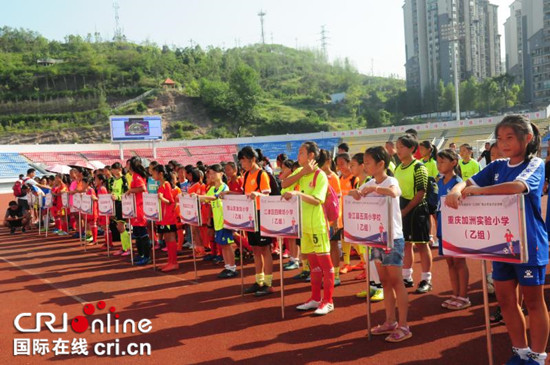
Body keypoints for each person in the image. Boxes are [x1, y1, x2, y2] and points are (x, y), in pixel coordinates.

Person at [446, 115, 548, 365]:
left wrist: (477, 191)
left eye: (509, 138)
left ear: (528, 138)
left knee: (533, 302)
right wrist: (456, 190)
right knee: (505, 300)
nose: (503, 143)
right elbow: (467, 182)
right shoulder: (497, 165)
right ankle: (520, 351)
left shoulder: (535, 163)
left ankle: (537, 355)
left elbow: (516, 187)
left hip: (528, 244)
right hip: (499, 245)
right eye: (500, 139)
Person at [350, 146, 411, 342]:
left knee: (396, 281)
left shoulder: (390, 181)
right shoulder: (368, 182)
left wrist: (374, 188)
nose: (365, 166)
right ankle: (390, 320)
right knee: (384, 281)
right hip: (375, 238)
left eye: (368, 162)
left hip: (392, 238)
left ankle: (404, 325)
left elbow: (394, 192)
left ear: (381, 164)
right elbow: (357, 195)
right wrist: (355, 194)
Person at [284, 141, 335, 315]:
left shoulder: (320, 175)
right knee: (313, 265)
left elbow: (317, 200)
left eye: (301, 152)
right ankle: (314, 298)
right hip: (303, 225)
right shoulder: (300, 171)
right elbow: (284, 184)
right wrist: (302, 173)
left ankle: (328, 301)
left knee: (325, 265)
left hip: (317, 226)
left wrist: (298, 193)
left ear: (311, 156)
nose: (298, 156)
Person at [233, 146, 274, 296]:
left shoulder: (261, 174)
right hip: (250, 215)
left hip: (261, 214)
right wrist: (228, 194)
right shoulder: (245, 175)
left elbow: (267, 195)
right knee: (256, 249)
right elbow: (243, 193)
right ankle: (259, 280)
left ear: (253, 159)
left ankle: (268, 283)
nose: (242, 163)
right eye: (241, 161)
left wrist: (257, 194)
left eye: (243, 160)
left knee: (265, 249)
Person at [393, 134, 432, 294]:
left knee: (422, 245)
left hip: (417, 211)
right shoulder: (397, 168)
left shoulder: (419, 167)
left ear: (411, 149)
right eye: (397, 146)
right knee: (406, 244)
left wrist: (406, 210)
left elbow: (421, 192)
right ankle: (407, 276)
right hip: (403, 209)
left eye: (402, 147)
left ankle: (426, 279)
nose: (398, 150)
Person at [436, 149, 470, 310]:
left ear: (453, 163)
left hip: (455, 228)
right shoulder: (439, 182)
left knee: (459, 262)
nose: (439, 164)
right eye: (438, 161)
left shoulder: (458, 183)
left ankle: (464, 296)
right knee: (450, 262)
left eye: (442, 161)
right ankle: (455, 294)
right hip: (443, 227)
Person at [199, 164, 237, 278]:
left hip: (225, 220)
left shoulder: (224, 187)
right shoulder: (212, 188)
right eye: (210, 173)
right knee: (222, 245)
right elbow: (207, 198)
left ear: (221, 174)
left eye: (214, 173)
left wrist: (199, 197)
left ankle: (232, 267)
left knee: (227, 245)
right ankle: (227, 266)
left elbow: (214, 197)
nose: (211, 175)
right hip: (218, 221)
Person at [152, 164, 179, 272]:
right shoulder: (161, 185)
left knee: (170, 238)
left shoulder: (166, 185)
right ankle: (170, 261)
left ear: (161, 174)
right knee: (167, 239)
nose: (152, 175)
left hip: (168, 217)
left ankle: (174, 262)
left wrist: (162, 198)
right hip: (163, 217)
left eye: (154, 172)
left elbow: (171, 201)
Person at [125, 157, 151, 266]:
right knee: (137, 233)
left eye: (127, 164)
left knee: (142, 233)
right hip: (135, 207)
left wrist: (131, 190)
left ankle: (146, 256)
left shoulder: (137, 176)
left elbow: (143, 188)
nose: (125, 166)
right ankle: (140, 254)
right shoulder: (133, 176)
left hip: (140, 207)